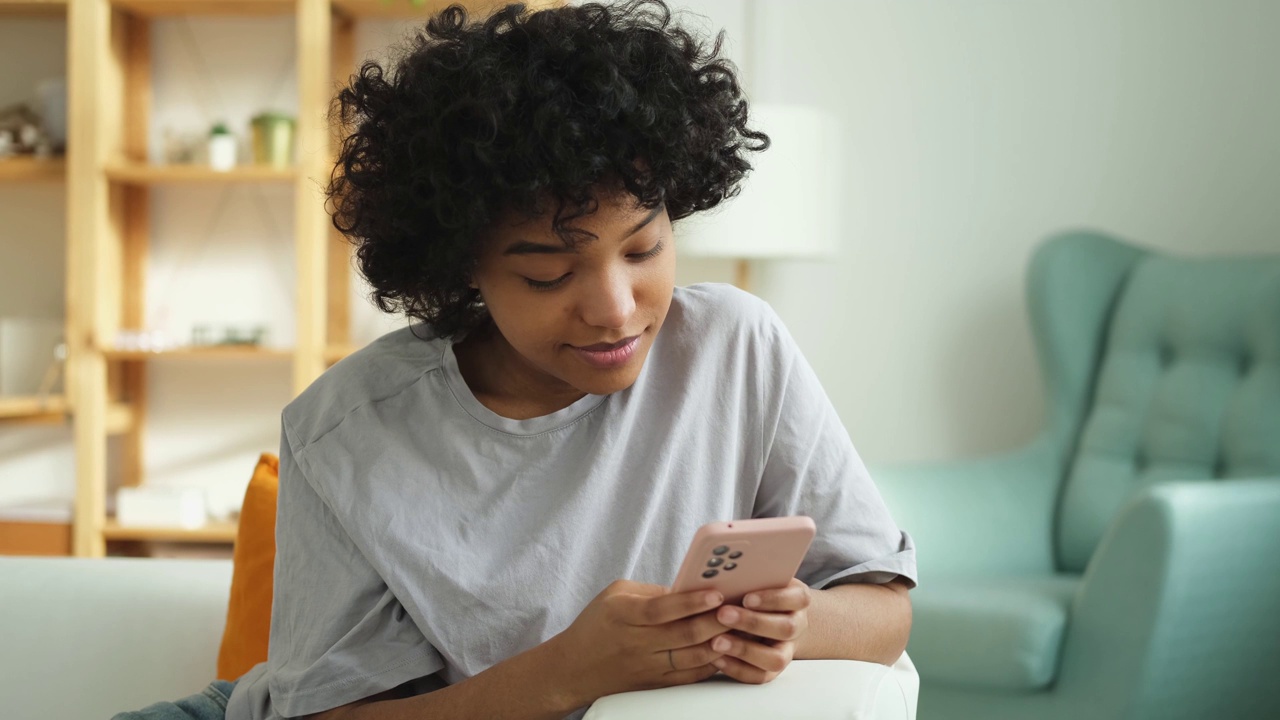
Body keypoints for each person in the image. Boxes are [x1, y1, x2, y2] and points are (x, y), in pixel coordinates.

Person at [118, 2, 917, 719]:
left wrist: (785, 626)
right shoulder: (346, 429)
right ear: (465, 264)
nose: (614, 307)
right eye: (548, 274)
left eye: (644, 247)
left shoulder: (736, 349)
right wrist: (569, 671)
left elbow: (885, 606)